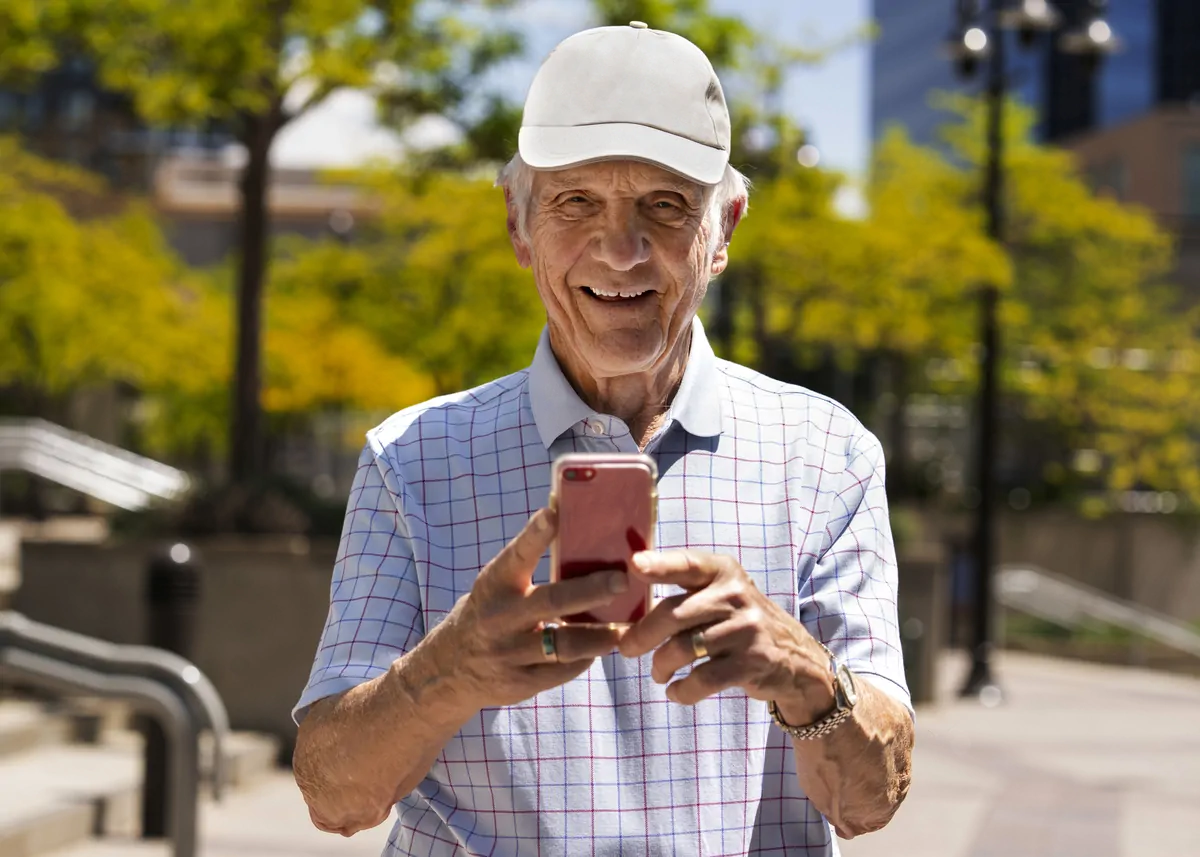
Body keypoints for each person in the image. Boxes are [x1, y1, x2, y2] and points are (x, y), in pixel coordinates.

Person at [292, 21, 913, 857]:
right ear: (520, 226)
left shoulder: (826, 454)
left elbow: (870, 800)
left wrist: (802, 674)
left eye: (665, 206)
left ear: (722, 230)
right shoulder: (412, 459)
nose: (620, 250)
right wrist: (452, 670)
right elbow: (334, 796)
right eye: (576, 201)